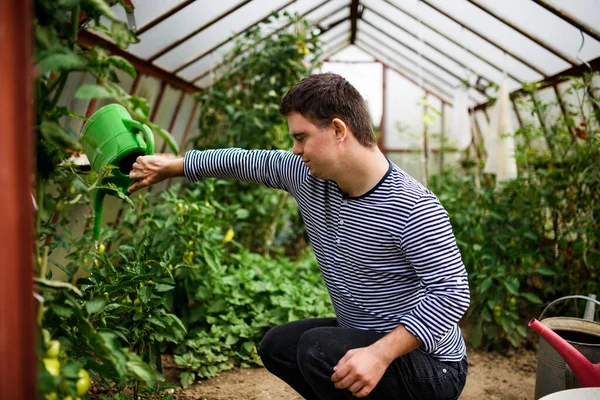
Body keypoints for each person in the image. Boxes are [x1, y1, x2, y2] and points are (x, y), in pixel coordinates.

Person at [128, 73, 470, 399]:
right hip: (367, 336)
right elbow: (242, 161)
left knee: (317, 350)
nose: (295, 149)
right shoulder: (307, 176)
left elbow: (452, 294)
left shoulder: (411, 206)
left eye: (301, 137)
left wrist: (379, 355)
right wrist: (173, 166)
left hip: (434, 365)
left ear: (338, 129)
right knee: (278, 346)